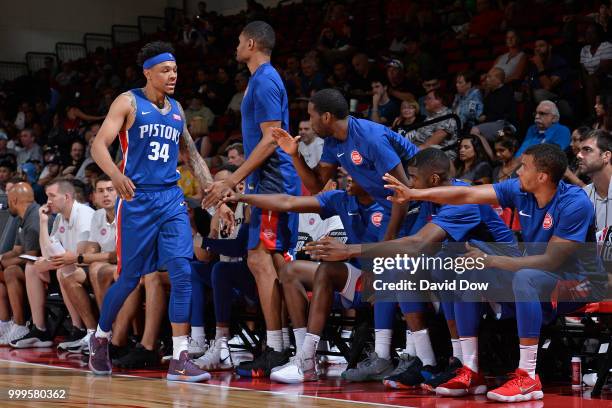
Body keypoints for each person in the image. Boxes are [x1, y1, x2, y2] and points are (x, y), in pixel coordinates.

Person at [383, 143, 604, 402]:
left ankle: (528, 376)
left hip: (579, 283)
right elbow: (467, 195)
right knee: (465, 267)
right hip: (538, 273)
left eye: (524, 167)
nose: (517, 171)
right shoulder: (521, 190)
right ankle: (470, 370)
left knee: (525, 277)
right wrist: (414, 194)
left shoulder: (575, 203)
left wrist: (492, 261)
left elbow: (550, 261)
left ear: (542, 177)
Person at [89, 41, 216, 382]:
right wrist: (116, 176)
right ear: (148, 72)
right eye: (165, 70)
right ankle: (100, 338)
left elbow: (191, 153)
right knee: (129, 279)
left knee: (182, 270)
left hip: (171, 199)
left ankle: (179, 356)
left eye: (174, 69)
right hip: (137, 200)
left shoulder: (176, 109)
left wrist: (213, 191)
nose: (172, 75)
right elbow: (98, 144)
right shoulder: (128, 101)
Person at [202, 21, 300, 377]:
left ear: (252, 43)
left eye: (239, 41)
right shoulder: (260, 80)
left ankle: (279, 345)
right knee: (265, 263)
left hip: (274, 181)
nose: (236, 46)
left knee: (261, 260)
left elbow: (272, 139)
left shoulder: (266, 80)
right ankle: (280, 343)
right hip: (264, 181)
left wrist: (233, 181)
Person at [222, 176, 380, 384]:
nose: (349, 176)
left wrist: (349, 250)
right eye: (347, 170)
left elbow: (404, 248)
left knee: (326, 270)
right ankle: (303, 356)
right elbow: (287, 202)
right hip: (356, 277)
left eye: (355, 172)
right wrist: (242, 197)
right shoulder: (340, 198)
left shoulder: (386, 203)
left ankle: (311, 357)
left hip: (386, 277)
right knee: (291, 271)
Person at [271, 88, 419, 243]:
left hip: (420, 204)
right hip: (393, 207)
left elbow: (402, 189)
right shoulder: (331, 141)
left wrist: (390, 237)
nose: (310, 120)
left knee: (401, 262)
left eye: (311, 115)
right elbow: (317, 185)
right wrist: (295, 155)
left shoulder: (370, 137)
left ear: (326, 117)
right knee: (374, 263)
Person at [10, 179, 94, 349]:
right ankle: (40, 330)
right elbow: (48, 251)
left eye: (52, 196)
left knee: (63, 269)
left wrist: (50, 263)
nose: (48, 201)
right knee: (32, 267)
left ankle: (79, 329)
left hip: (86, 268)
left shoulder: (84, 214)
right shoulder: (60, 218)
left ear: (67, 197)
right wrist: (43, 222)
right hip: (67, 265)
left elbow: (79, 255)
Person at [54, 175, 118, 354]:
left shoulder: (125, 213)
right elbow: (91, 250)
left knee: (96, 268)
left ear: (118, 192)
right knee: (69, 274)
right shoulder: (98, 215)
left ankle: (106, 332)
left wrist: (80, 257)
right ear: (94, 197)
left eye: (110, 190)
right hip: (102, 265)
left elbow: (114, 256)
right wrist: (85, 258)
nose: (106, 194)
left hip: (122, 266)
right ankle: (91, 331)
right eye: (101, 191)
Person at [0, 182, 41, 345]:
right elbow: (17, 250)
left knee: (10, 271)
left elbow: (31, 256)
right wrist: (1, 258)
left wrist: (5, 262)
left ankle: (20, 324)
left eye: (8, 200)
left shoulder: (34, 218)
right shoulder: (22, 217)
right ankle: (4, 322)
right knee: (5, 267)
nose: (7, 204)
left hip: (43, 271)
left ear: (14, 200)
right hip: (32, 268)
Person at [577, 129, 612, 235]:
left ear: (606, 156)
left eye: (587, 150)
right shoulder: (582, 196)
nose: (579, 155)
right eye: (579, 150)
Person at [472, 68, 516, 142]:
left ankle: (488, 153)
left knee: (475, 131)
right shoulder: (491, 93)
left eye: (489, 77)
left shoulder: (506, 93)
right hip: (491, 125)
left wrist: (485, 118)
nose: (487, 80)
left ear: (498, 79)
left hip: (505, 129)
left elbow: (500, 114)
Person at [414, 89, 458, 159]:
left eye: (429, 99)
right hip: (420, 147)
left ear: (440, 100)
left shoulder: (448, 116)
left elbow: (430, 144)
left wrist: (412, 151)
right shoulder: (431, 116)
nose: (425, 102)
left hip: (440, 153)